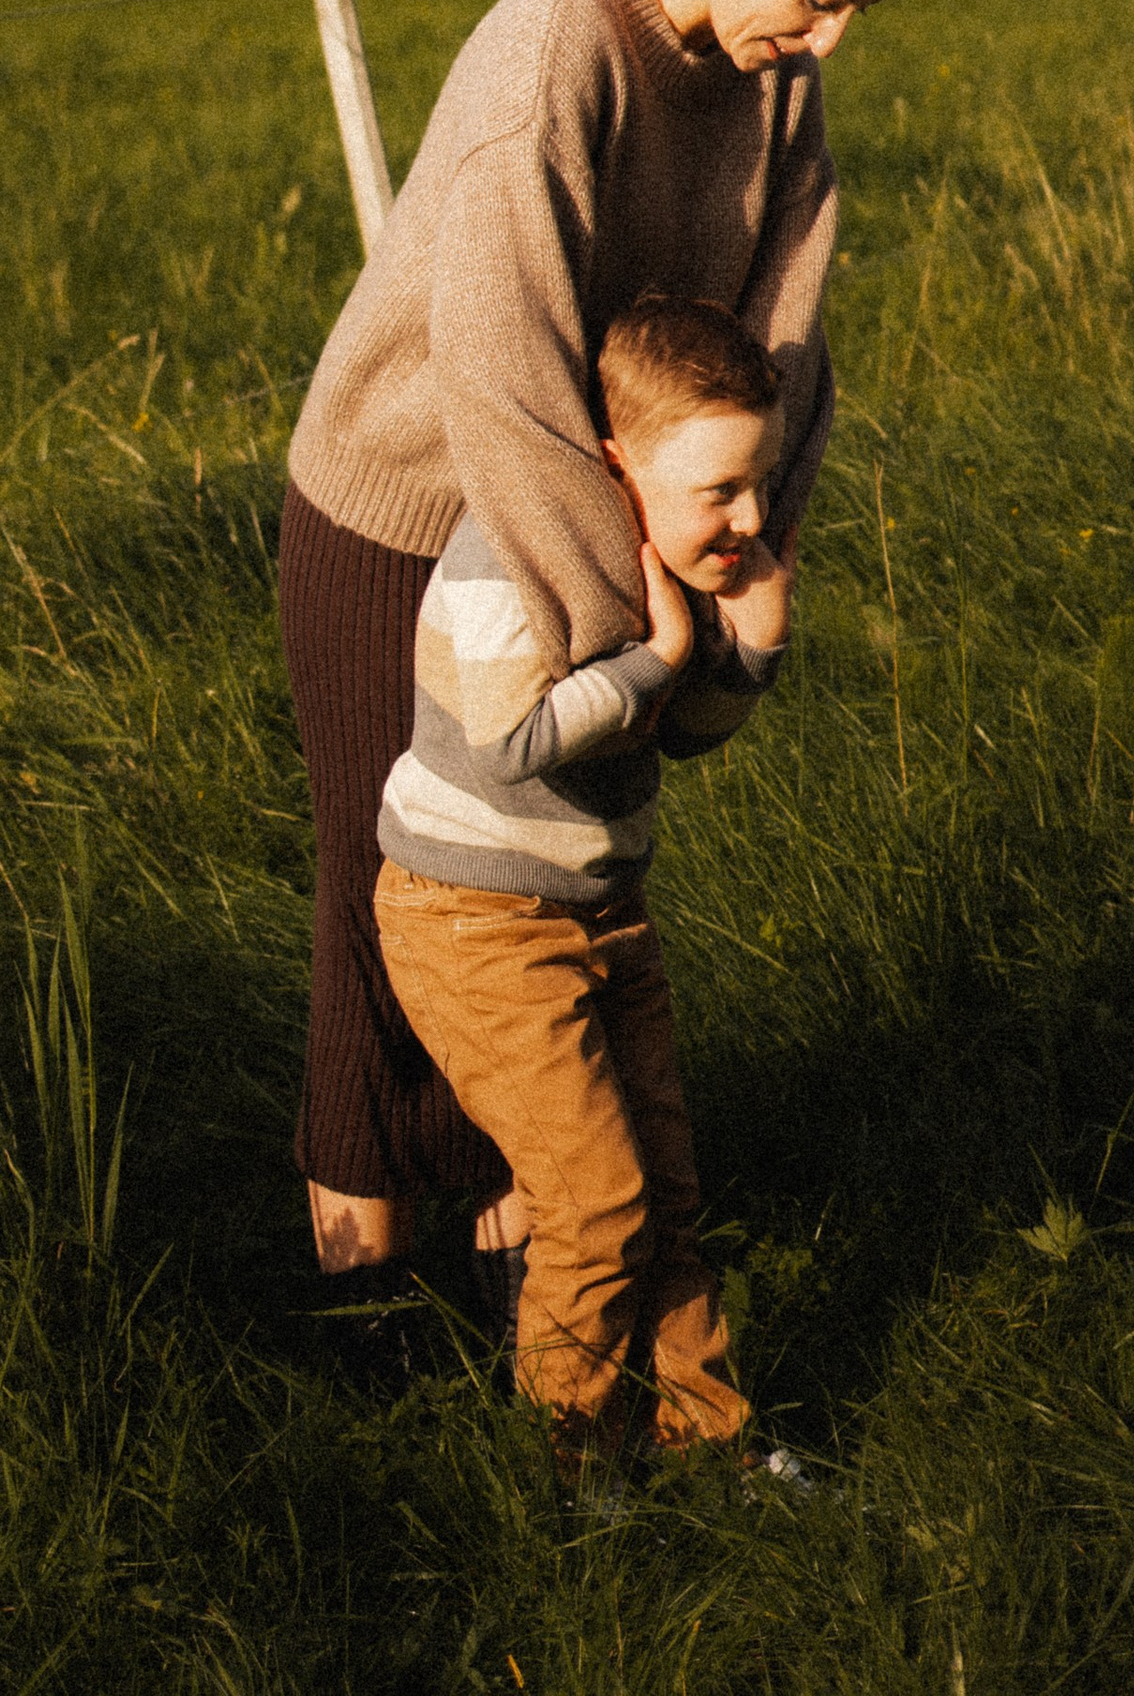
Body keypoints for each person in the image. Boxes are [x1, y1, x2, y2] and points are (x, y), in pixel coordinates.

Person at [276, 0, 933, 1328]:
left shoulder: (779, 89)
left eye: (863, 11)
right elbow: (502, 378)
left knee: (555, 911)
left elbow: (789, 339)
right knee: (400, 901)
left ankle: (540, 1289)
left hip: (596, 526)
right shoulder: (559, 47)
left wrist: (733, 579)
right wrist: (623, 651)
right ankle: (364, 1320)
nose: (829, 42)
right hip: (408, 511)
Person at [373, 295, 792, 1456]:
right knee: (596, 1204)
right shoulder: (506, 558)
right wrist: (659, 657)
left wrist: (748, 648)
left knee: (663, 1195)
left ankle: (709, 1436)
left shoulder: (648, 550)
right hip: (474, 919)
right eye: (720, 490)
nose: (749, 516)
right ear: (616, 465)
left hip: (604, 907)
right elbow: (512, 739)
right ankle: (564, 1462)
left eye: (756, 482)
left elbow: (681, 739)